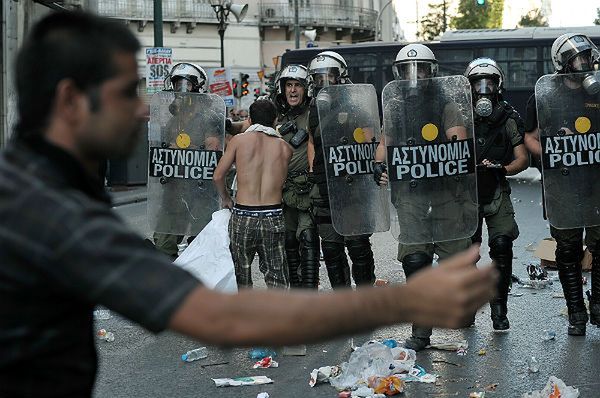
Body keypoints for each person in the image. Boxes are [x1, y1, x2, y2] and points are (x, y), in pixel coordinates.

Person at [0, 12, 497, 395]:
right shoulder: (48, 211)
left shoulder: (37, 188)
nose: (143, 108)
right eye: (127, 92)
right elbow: (220, 317)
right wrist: (406, 300)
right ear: (70, 100)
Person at [374, 44, 473, 351]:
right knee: (416, 260)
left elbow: (458, 140)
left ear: (433, 73)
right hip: (413, 194)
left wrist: (452, 149)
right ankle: (421, 332)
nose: (414, 76)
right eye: (407, 70)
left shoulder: (446, 104)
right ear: (399, 74)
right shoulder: (394, 108)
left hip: (445, 193)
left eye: (420, 70)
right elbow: (384, 144)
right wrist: (380, 166)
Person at [525, 33, 600, 336]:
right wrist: (553, 152)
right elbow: (530, 136)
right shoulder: (545, 95)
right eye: (580, 59)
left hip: (596, 183)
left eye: (588, 57)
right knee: (567, 250)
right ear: (565, 64)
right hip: (563, 185)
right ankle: (576, 314)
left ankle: (597, 306)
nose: (586, 64)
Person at [464, 57, 529, 331]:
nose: (482, 89)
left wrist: (502, 168)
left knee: (502, 247)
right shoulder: (457, 117)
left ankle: (499, 311)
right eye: (477, 83)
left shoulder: (508, 118)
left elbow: (522, 158)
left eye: (488, 83)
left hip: (497, 190)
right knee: (466, 254)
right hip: (466, 193)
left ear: (497, 85)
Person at [307, 51, 377, 289]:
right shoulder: (314, 112)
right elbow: (311, 144)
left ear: (341, 78)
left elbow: (370, 145)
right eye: (318, 79)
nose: (323, 83)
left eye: (329, 77)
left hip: (352, 190)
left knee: (357, 248)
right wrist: (312, 174)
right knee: (332, 250)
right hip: (324, 190)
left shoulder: (356, 109)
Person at [213, 99, 292, 289]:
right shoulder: (285, 148)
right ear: (275, 120)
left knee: (240, 274)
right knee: (276, 275)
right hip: (273, 216)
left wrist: (226, 198)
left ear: (249, 119)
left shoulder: (239, 141)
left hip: (243, 215)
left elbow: (218, 176)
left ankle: (245, 315)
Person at [150, 61, 216, 259]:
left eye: (186, 85)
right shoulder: (173, 120)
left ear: (198, 88)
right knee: (163, 245)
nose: (182, 90)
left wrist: (184, 150)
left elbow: (213, 150)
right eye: (178, 85)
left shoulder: (208, 118)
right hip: (174, 190)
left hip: (200, 191)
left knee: (200, 245)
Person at [274, 65, 319, 289]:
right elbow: (246, 128)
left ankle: (310, 293)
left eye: (297, 85)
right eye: (288, 85)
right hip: (282, 189)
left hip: (307, 187)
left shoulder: (314, 112)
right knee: (288, 241)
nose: (292, 91)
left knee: (308, 238)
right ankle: (297, 292)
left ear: (306, 89)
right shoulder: (275, 116)